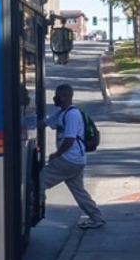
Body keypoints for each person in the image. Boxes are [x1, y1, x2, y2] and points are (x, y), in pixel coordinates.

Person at [42, 84, 106, 229]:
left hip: (69, 159)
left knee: (40, 181)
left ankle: (32, 212)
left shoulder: (72, 115)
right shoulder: (61, 113)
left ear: (65, 97)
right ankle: (97, 218)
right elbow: (44, 123)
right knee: (79, 192)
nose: (55, 98)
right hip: (77, 160)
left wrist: (56, 155)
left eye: (57, 95)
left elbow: (69, 140)